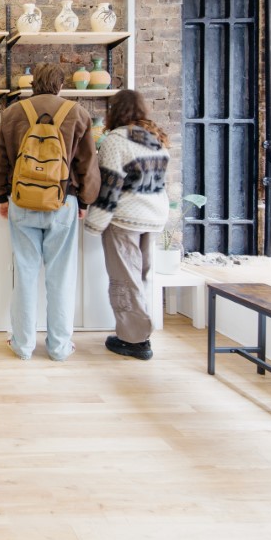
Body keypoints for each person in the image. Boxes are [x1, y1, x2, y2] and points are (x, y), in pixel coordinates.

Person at [0, 62, 99, 361]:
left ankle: (23, 346)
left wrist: (1, 195)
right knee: (60, 277)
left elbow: (0, 158)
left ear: (33, 83)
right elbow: (87, 163)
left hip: (21, 201)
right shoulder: (78, 113)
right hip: (63, 202)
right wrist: (85, 201)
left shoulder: (13, 113)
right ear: (60, 85)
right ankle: (59, 348)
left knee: (24, 273)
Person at [83, 89, 170, 361]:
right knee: (139, 276)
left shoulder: (116, 140)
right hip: (154, 216)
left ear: (115, 111)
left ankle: (134, 340)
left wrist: (93, 224)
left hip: (126, 218)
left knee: (124, 280)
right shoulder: (155, 139)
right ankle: (135, 331)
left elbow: (109, 188)